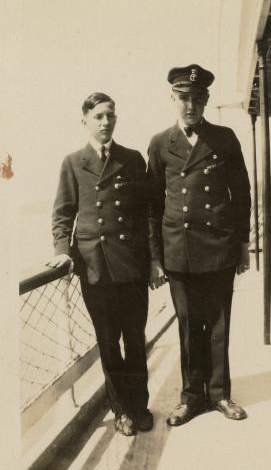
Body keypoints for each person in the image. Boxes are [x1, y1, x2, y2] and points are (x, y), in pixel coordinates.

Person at [148, 64, 251, 426]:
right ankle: (191, 397)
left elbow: (241, 195)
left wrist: (242, 244)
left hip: (219, 246)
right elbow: (153, 205)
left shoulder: (224, 138)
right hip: (180, 250)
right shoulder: (160, 143)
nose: (190, 105)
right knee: (190, 324)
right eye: (183, 98)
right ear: (172, 99)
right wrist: (156, 257)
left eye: (196, 98)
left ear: (206, 100)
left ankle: (220, 394)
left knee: (220, 323)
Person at [48, 92, 153, 436]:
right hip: (95, 270)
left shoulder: (133, 159)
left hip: (132, 267)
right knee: (108, 343)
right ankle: (121, 410)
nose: (106, 122)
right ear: (85, 121)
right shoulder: (73, 162)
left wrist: (153, 260)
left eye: (110, 115)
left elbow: (147, 213)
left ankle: (140, 406)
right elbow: (63, 214)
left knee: (135, 339)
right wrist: (62, 251)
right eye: (98, 117)